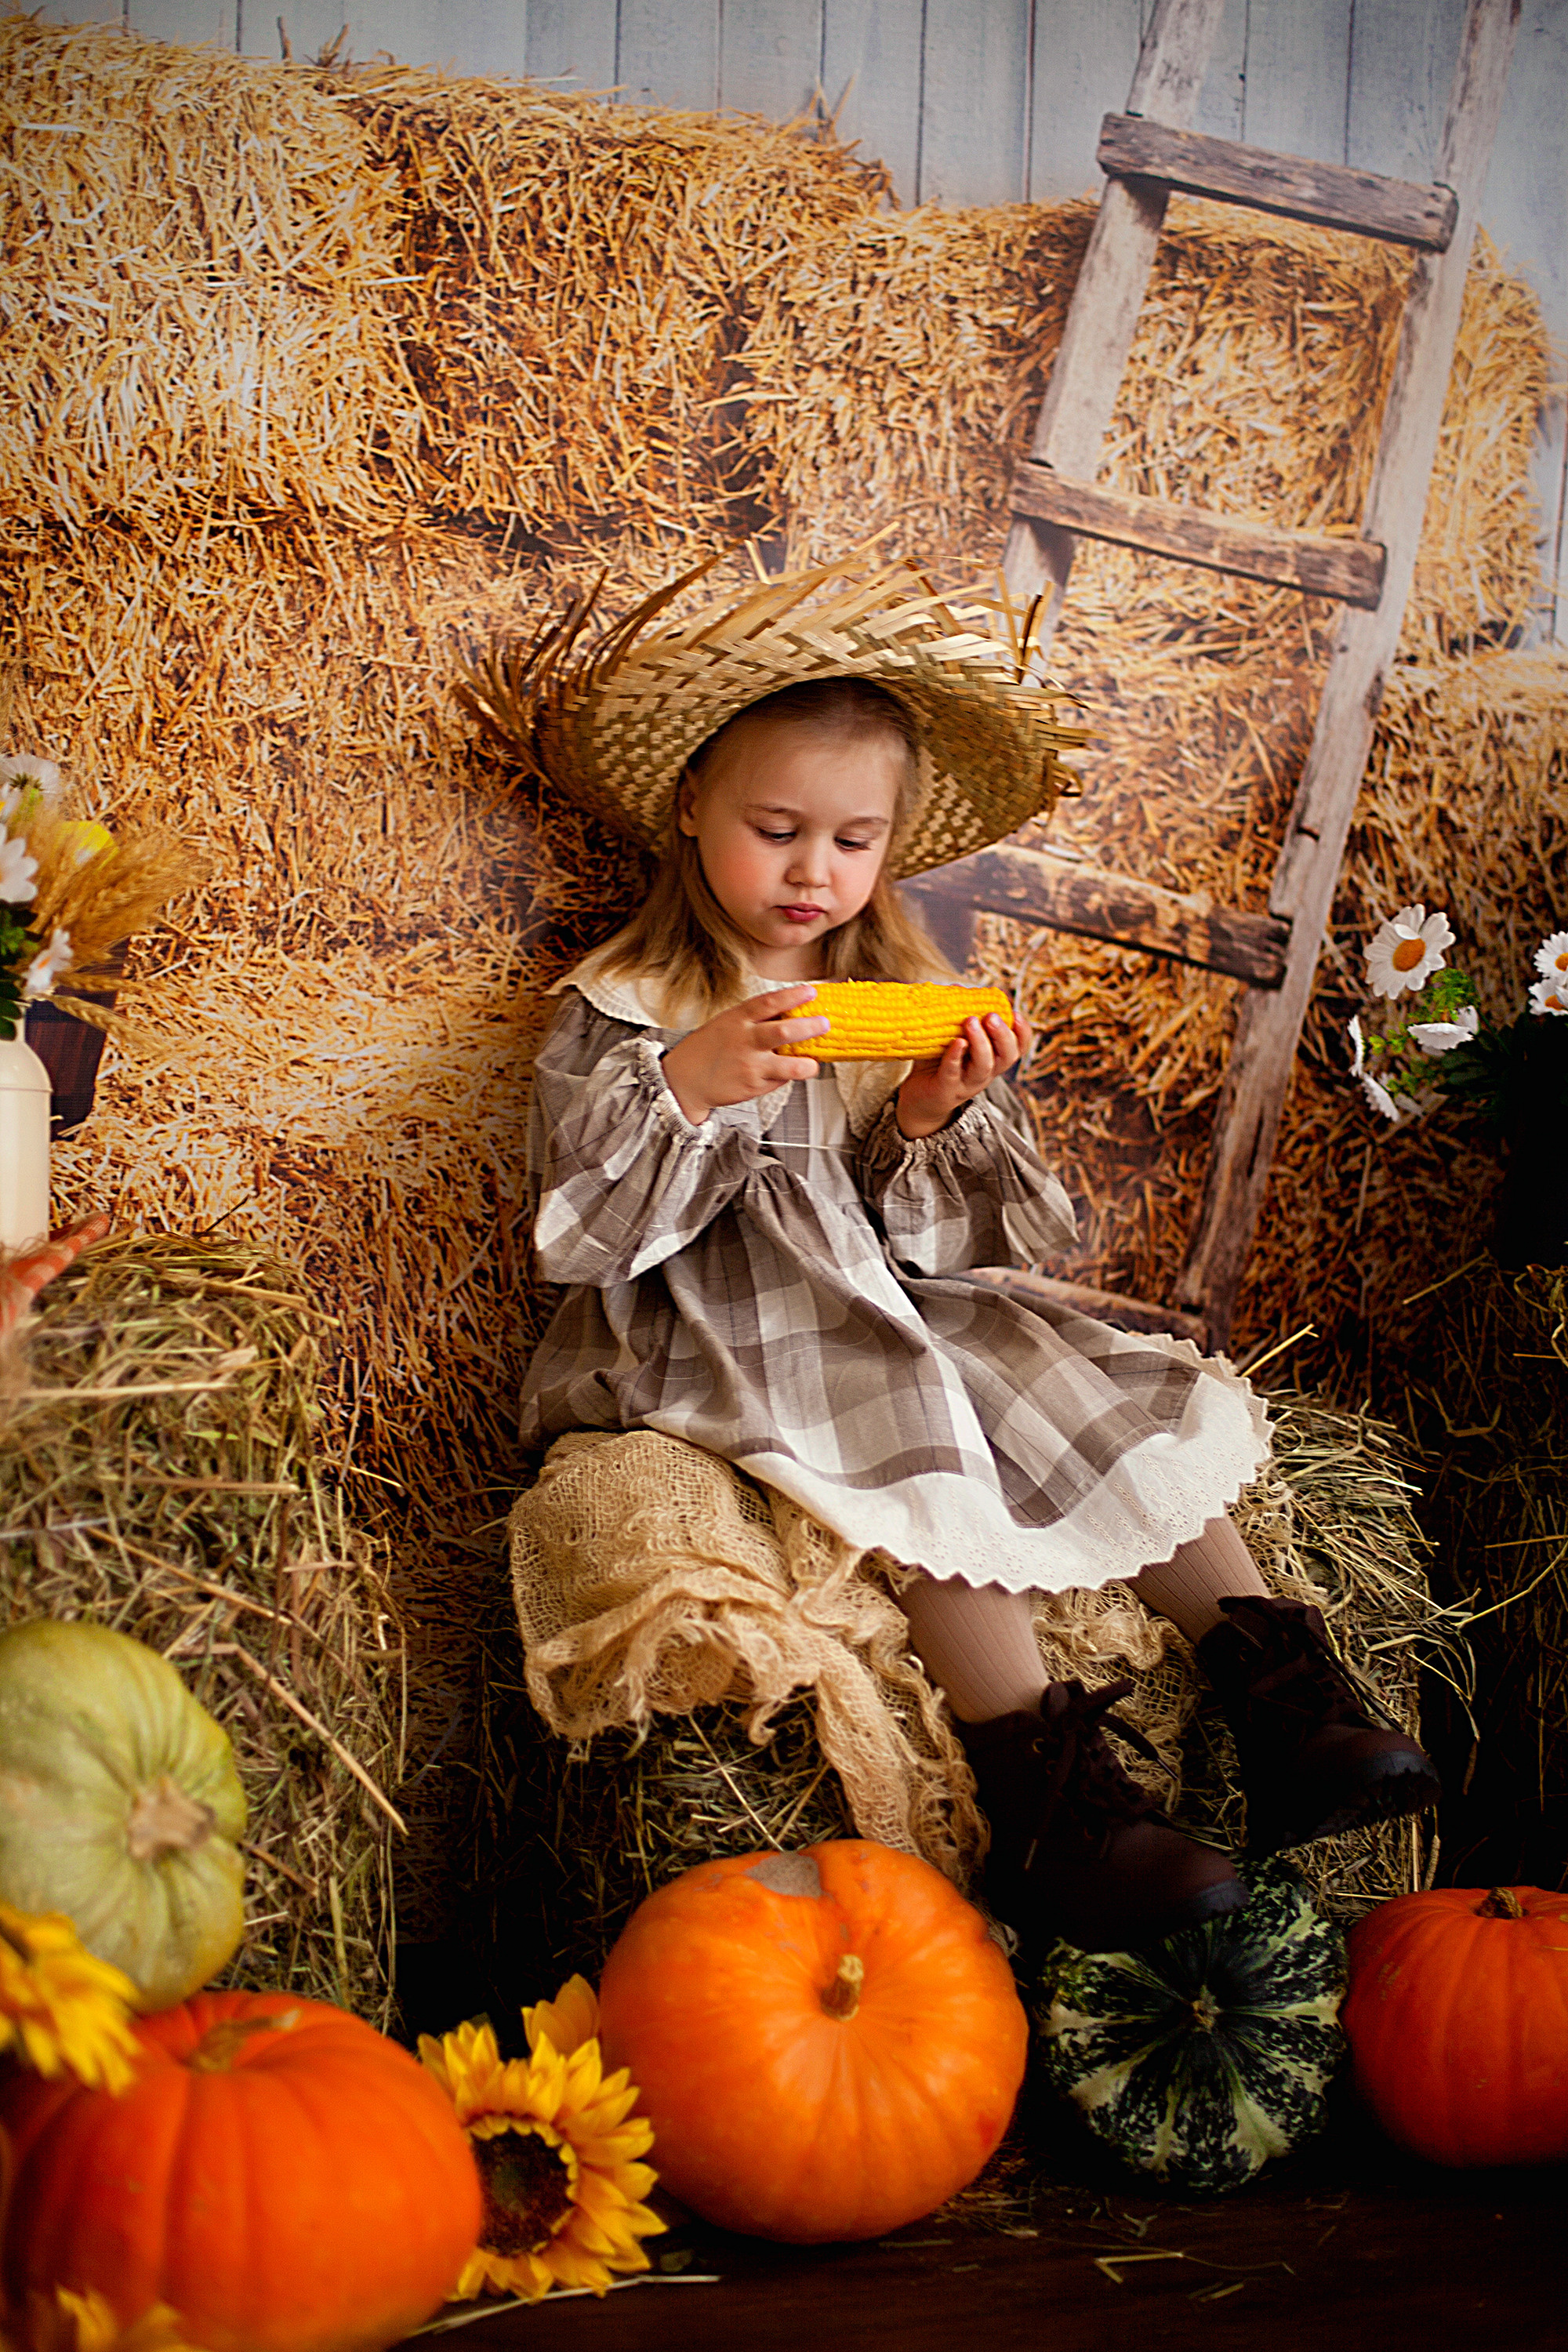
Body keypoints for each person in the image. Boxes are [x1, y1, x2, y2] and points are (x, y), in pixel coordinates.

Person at [489, 561, 1439, 1958]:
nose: (814, 872)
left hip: (885, 1293)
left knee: (1071, 1374)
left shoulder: (892, 994)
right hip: (721, 1320)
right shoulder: (627, 1007)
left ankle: (1286, 1693)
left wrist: (931, 1117)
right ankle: (1054, 1799)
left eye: (854, 841)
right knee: (911, 1424)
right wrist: (689, 1082)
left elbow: (927, 1240)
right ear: (691, 806)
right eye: (775, 829)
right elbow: (591, 1232)